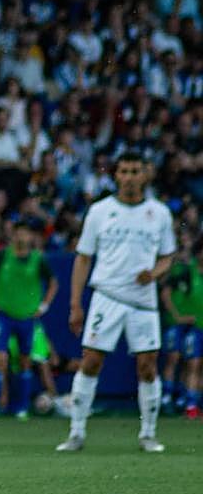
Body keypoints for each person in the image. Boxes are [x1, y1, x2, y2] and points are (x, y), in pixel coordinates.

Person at [57, 153, 176, 453]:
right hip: (106, 297)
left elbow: (168, 256)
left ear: (144, 175)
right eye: (124, 171)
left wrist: (156, 273)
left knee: (148, 366)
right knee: (91, 361)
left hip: (143, 302)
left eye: (136, 171)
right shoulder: (100, 211)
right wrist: (75, 303)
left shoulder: (159, 213)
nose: (130, 176)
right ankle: (77, 432)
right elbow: (84, 258)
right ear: (116, 175)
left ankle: (148, 433)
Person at [0, 216, 59, 420]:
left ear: (31, 236)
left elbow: (53, 282)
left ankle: (21, 408)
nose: (22, 236)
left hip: (27, 318)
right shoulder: (2, 256)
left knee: (25, 362)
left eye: (26, 232)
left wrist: (44, 305)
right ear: (13, 235)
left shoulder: (38, 259)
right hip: (4, 316)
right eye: (18, 232)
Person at [159, 239, 202, 419]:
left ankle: (189, 401)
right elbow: (165, 291)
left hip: (196, 324)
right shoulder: (185, 270)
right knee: (175, 357)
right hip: (180, 323)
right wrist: (177, 316)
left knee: (195, 363)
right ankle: (167, 398)